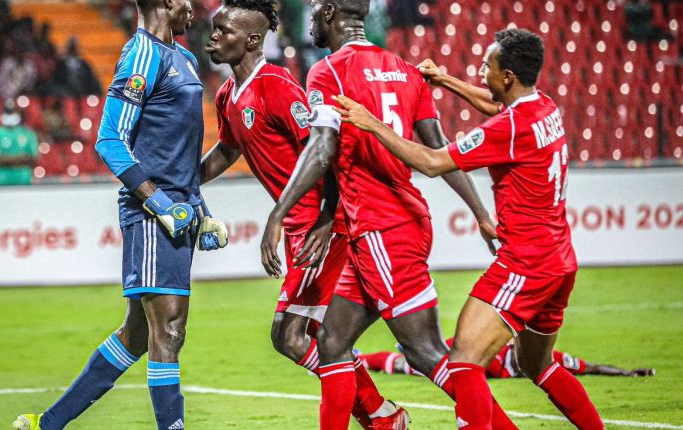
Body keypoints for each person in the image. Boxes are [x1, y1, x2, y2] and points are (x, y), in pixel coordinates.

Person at [333, 28, 605, 429]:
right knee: (537, 364)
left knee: (463, 360)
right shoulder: (544, 108)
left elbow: (431, 162)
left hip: (525, 263)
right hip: (560, 260)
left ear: (507, 76)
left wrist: (372, 123)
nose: (481, 71)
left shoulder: (509, 128)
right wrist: (445, 80)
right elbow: (495, 106)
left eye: (487, 66)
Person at [259, 1, 513, 428]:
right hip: (391, 225)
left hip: (381, 227)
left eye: (316, 8)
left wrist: (277, 214)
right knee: (332, 342)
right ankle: (382, 420)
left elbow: (321, 148)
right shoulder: (404, 69)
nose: (311, 17)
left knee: (425, 351)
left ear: (330, 12)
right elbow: (439, 148)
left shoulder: (328, 71)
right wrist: (480, 211)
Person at [13, 1, 227, 429]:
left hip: (178, 212)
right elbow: (110, 140)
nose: (194, 8)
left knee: (138, 335)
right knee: (169, 330)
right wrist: (160, 204)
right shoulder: (142, 55)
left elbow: (178, 155)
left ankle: (47, 424)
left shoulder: (184, 58)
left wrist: (199, 209)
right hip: (152, 215)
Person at [200, 1, 402, 428]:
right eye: (215, 27)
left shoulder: (276, 86)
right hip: (299, 228)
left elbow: (323, 150)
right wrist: (182, 182)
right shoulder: (227, 95)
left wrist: (327, 220)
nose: (213, 36)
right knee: (314, 336)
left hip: (320, 227)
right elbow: (228, 150)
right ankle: (381, 414)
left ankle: (381, 415)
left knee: (290, 336)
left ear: (253, 40)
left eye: (224, 30)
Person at [358, 340, 656, 379]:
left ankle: (358, 360)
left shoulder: (547, 358)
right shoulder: (498, 348)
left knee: (403, 366)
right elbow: (460, 344)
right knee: (405, 363)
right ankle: (360, 358)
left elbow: (589, 368)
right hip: (453, 357)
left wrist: (626, 373)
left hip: (456, 367)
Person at [0, 104, 38, 186]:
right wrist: (21, 158)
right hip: (3, 180)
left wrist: (8, 160)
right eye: (8, 112)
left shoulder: (28, 133)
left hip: (25, 180)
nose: (10, 115)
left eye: (12, 112)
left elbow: (34, 158)